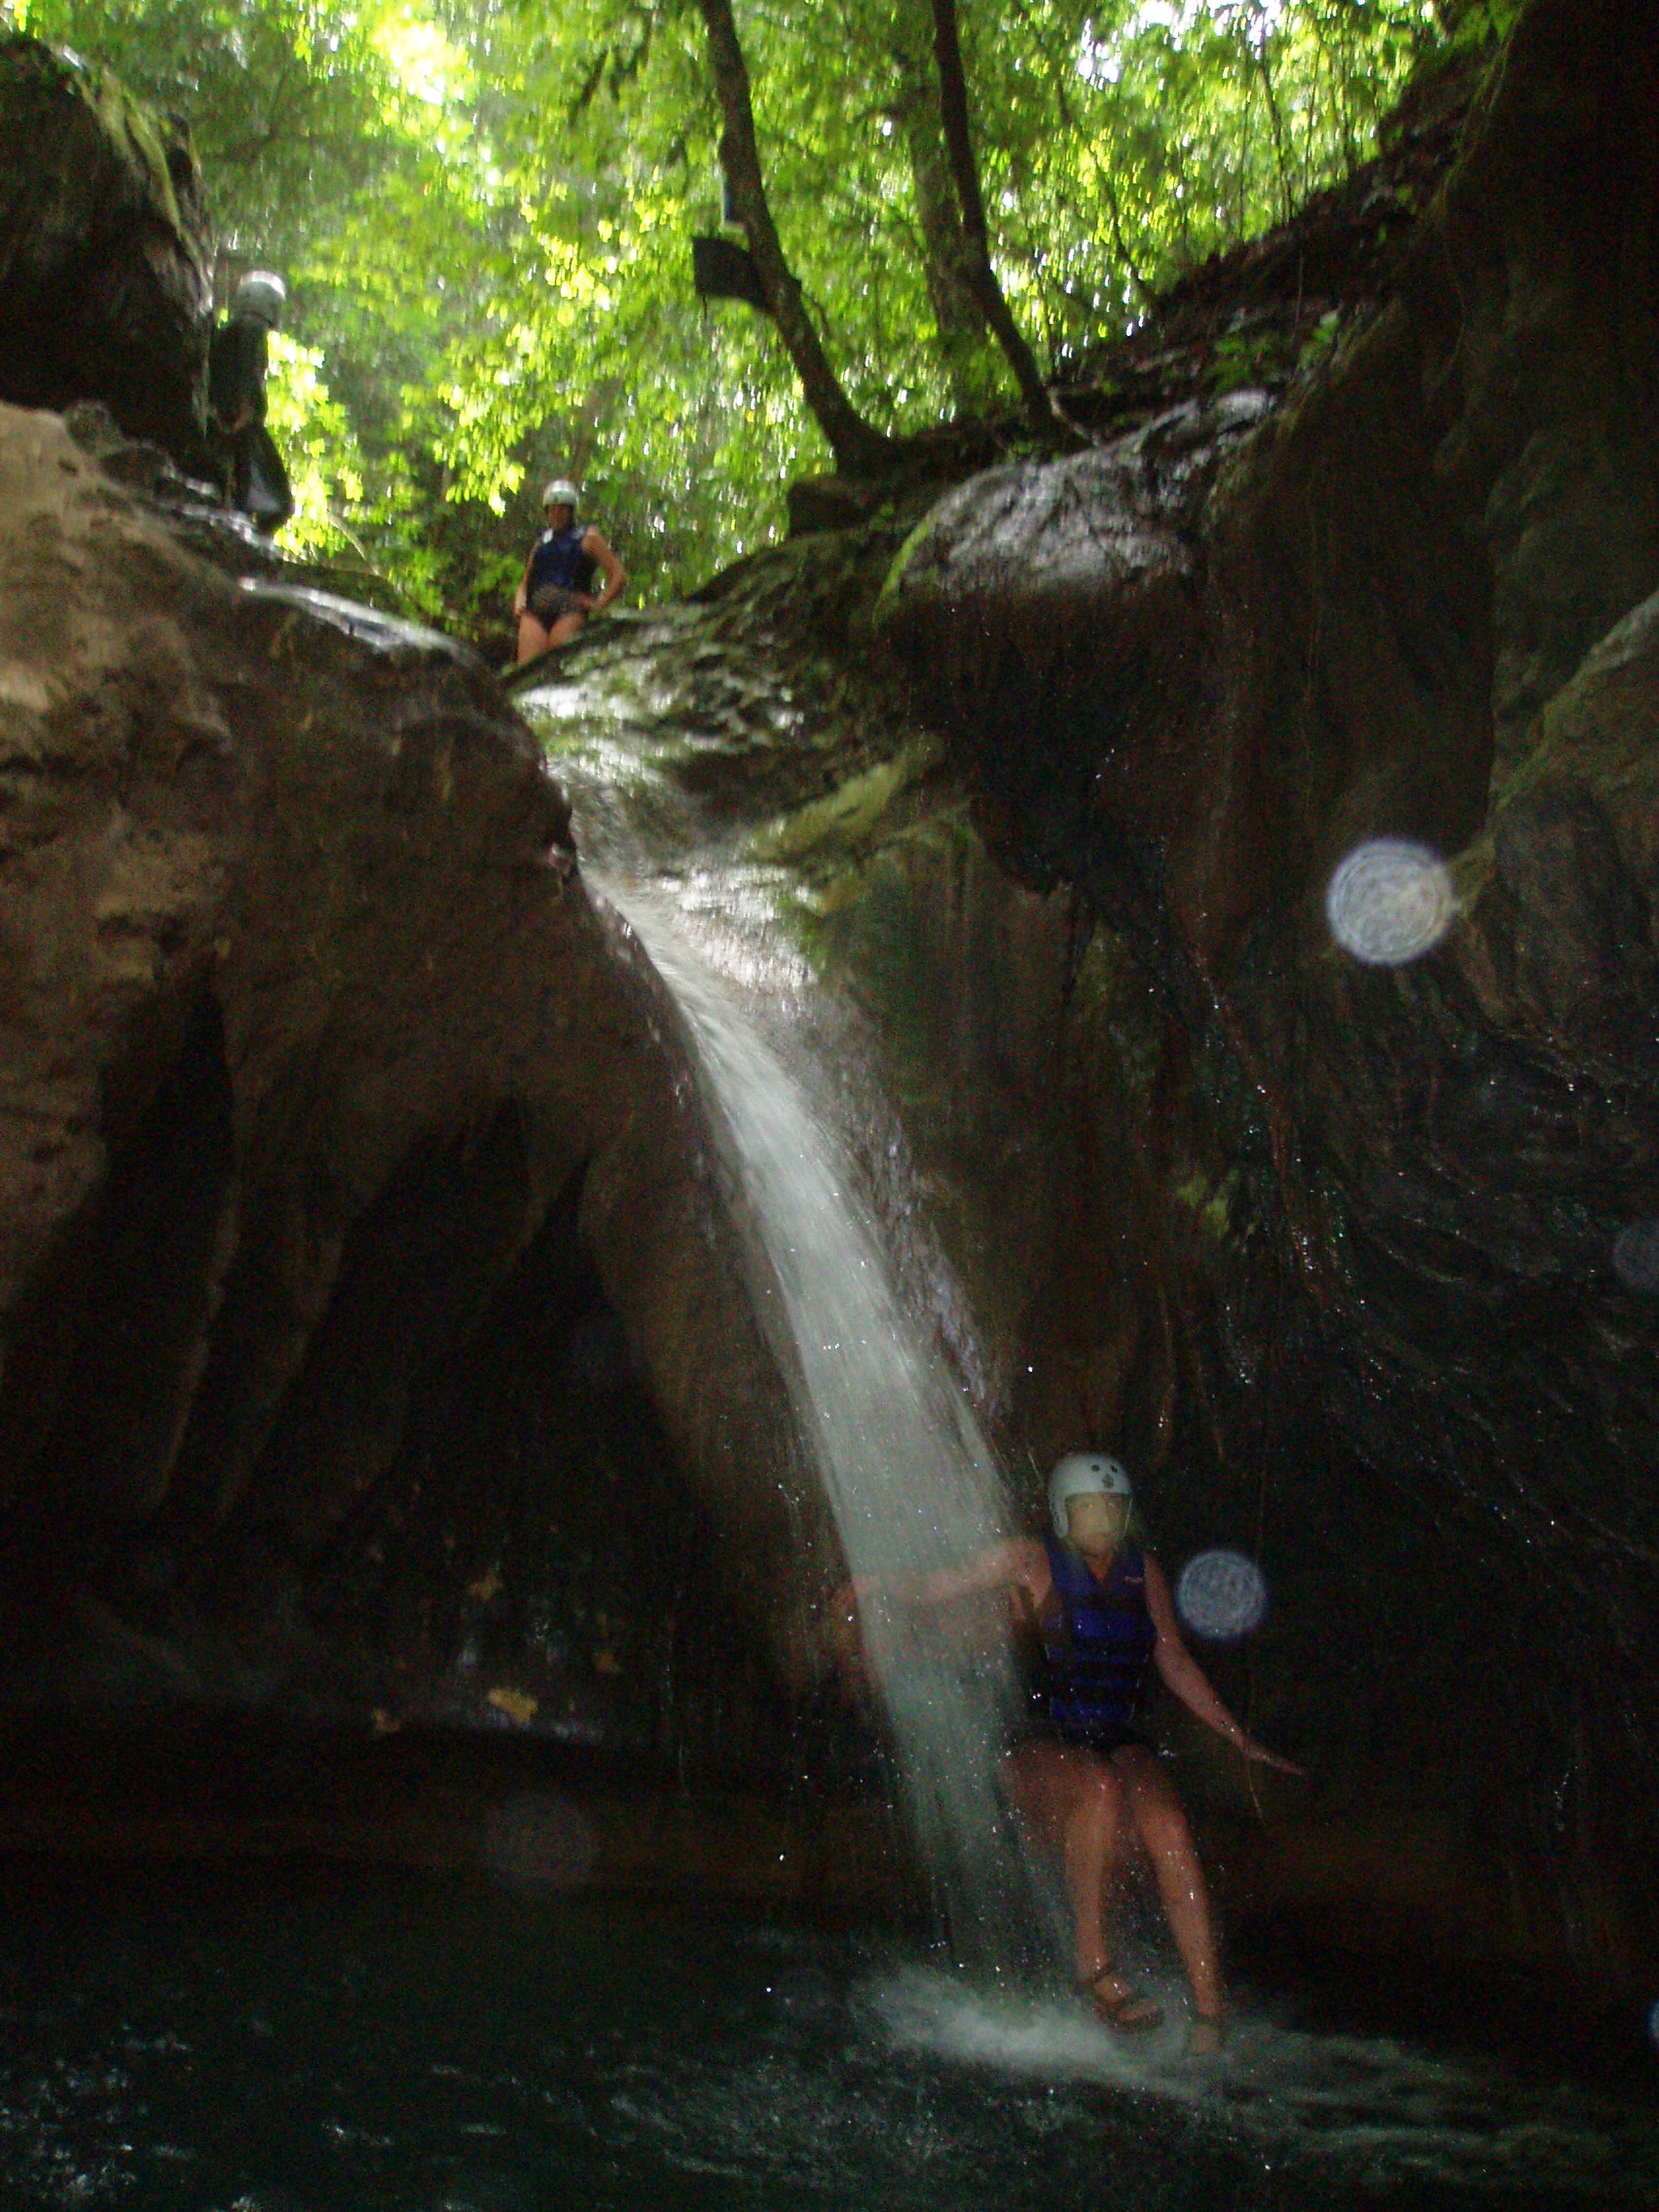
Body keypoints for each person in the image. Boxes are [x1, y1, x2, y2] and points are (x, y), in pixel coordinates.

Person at [835, 1452, 1302, 2052]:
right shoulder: (1032, 1560)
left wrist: (1238, 1738)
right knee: (1098, 1789)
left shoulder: (1145, 1574)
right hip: (1042, 1737)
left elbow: (1175, 1660)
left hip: (1115, 1734)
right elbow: (947, 1581)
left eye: (1112, 1507)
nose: (1102, 1518)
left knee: (1170, 1824)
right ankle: (1094, 1965)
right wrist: (884, 1586)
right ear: (1062, 1514)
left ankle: (1209, 2014)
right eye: (1087, 1507)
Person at [206, 270, 294, 535]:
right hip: (239, 424)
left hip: (228, 421)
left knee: (244, 495)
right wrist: (242, 417)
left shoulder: (231, 330)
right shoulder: (252, 330)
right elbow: (247, 375)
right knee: (279, 503)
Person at [512, 479, 627, 664]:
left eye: (563, 508)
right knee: (527, 670)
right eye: (553, 508)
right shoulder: (542, 541)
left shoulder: (589, 537)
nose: (557, 513)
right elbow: (526, 582)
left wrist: (599, 604)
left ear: (571, 511)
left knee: (557, 665)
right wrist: (519, 601)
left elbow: (618, 576)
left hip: (570, 610)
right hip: (535, 610)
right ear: (547, 511)